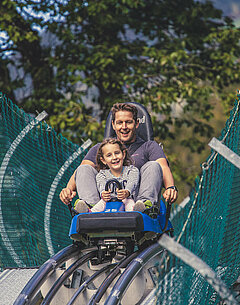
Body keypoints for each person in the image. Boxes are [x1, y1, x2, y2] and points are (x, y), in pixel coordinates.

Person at [59, 103, 178, 211]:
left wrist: (170, 187)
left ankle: (144, 207)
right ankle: (90, 209)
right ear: (113, 125)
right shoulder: (101, 148)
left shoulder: (149, 146)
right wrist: (68, 189)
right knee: (83, 169)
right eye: (120, 123)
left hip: (135, 201)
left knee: (153, 165)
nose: (124, 127)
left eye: (128, 122)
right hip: (104, 202)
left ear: (136, 124)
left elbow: (163, 167)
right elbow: (82, 170)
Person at [75, 138, 141, 213]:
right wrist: (103, 193)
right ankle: (87, 212)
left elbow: (133, 182)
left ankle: (135, 211)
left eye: (117, 153)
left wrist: (127, 192)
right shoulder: (102, 174)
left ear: (123, 154)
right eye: (109, 155)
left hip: (126, 199)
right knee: (99, 205)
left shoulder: (132, 170)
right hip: (108, 201)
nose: (114, 157)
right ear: (103, 160)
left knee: (130, 204)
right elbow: (101, 185)